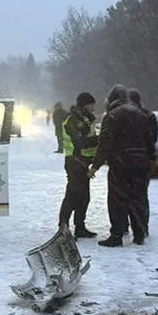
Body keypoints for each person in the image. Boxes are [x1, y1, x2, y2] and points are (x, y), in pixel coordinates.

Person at [88, 85, 154, 247]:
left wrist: (95, 166)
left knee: (117, 199)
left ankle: (117, 235)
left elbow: (105, 144)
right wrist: (149, 159)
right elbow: (150, 140)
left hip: (120, 164)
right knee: (139, 197)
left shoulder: (111, 116)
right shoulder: (140, 114)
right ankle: (139, 233)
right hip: (141, 163)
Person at [58, 92, 99, 238]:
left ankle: (80, 227)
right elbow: (80, 142)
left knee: (83, 197)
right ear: (84, 105)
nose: (93, 108)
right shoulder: (73, 120)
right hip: (74, 162)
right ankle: (63, 227)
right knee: (73, 196)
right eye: (91, 105)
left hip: (83, 162)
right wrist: (100, 139)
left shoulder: (86, 120)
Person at [128, 88, 158, 238]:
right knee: (141, 196)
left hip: (128, 161)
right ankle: (142, 228)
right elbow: (153, 137)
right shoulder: (149, 115)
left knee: (126, 195)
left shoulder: (125, 115)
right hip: (143, 161)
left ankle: (128, 227)